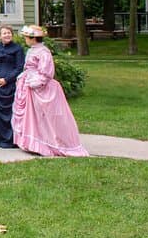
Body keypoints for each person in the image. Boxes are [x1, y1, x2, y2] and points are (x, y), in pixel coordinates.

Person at [11, 25, 89, 157]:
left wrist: (36, 82)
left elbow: (46, 72)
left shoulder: (43, 52)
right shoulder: (32, 50)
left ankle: (49, 143)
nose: (25, 40)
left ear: (33, 39)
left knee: (45, 116)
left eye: (26, 37)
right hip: (28, 85)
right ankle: (34, 142)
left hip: (39, 87)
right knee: (33, 116)